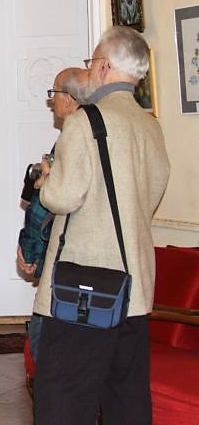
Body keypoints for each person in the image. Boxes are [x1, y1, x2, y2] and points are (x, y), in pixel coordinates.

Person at [32, 26, 170, 424]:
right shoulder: (150, 124)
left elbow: (63, 197)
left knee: (63, 401)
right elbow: (152, 190)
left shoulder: (85, 121)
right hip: (134, 287)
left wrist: (47, 181)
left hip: (83, 291)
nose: (90, 69)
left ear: (105, 66)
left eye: (92, 62)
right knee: (126, 400)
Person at [16, 67, 86, 362]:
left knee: (44, 335)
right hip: (76, 254)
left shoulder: (72, 138)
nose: (51, 100)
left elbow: (47, 205)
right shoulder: (94, 134)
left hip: (64, 252)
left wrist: (29, 250)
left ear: (68, 98)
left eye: (53, 93)